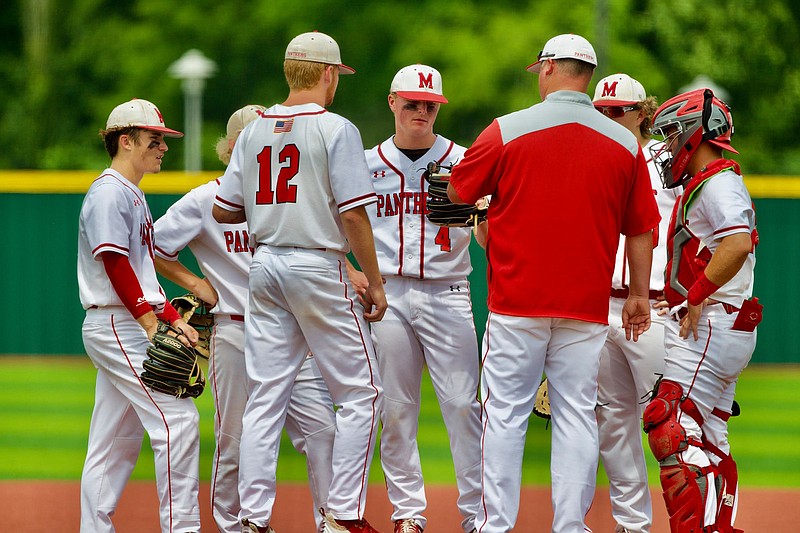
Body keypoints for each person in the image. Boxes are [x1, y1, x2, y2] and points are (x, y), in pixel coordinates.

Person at [446, 34, 661, 533]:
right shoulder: (626, 143)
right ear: (587, 77)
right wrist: (637, 295)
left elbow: (456, 190)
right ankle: (569, 526)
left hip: (516, 301)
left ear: (547, 69)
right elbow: (641, 230)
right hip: (585, 306)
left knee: (504, 416)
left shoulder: (507, 129)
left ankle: (495, 524)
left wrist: (491, 201)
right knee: (576, 416)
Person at [212, 31, 387, 533]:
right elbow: (354, 216)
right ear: (329, 74)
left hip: (264, 265)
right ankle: (343, 515)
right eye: (338, 76)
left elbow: (225, 210)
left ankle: (252, 518)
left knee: (266, 395)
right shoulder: (336, 128)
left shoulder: (253, 129)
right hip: (316, 263)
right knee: (363, 393)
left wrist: (272, 203)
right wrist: (373, 281)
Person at [153, 104, 337, 533]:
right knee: (234, 437)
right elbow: (155, 245)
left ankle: (331, 522)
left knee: (323, 429)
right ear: (235, 146)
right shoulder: (204, 200)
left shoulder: (287, 197)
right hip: (235, 329)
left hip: (293, 331)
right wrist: (197, 285)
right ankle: (235, 525)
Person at [363, 64, 483, 533]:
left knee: (461, 405)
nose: (420, 110)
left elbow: (493, 231)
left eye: (429, 104)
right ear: (393, 103)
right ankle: (408, 513)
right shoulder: (366, 162)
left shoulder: (467, 159)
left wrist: (479, 214)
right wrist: (356, 274)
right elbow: (341, 227)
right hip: (388, 292)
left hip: (448, 291)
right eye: (411, 102)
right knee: (396, 407)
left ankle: (477, 514)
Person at [78, 98, 202, 533]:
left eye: (164, 140)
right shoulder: (110, 191)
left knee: (115, 440)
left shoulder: (131, 192)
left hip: (125, 318)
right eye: (155, 139)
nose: (163, 147)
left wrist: (171, 316)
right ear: (126, 141)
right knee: (178, 421)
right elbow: (114, 262)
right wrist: (150, 323)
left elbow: (142, 272)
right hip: (119, 322)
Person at [643, 88, 759, 533]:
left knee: (670, 425)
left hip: (712, 322)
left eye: (673, 134)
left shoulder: (716, 180)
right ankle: (717, 526)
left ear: (695, 131)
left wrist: (694, 296)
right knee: (708, 436)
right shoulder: (713, 180)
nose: (668, 146)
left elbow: (736, 242)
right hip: (726, 320)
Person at [591, 73, 680, 533]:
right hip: (600, 306)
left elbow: (696, 226)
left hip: (656, 308)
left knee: (672, 428)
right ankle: (631, 525)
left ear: (642, 114)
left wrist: (687, 294)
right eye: (600, 110)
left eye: (617, 111)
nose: (607, 118)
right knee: (613, 427)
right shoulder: (589, 158)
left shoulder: (668, 159)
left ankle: (695, 521)